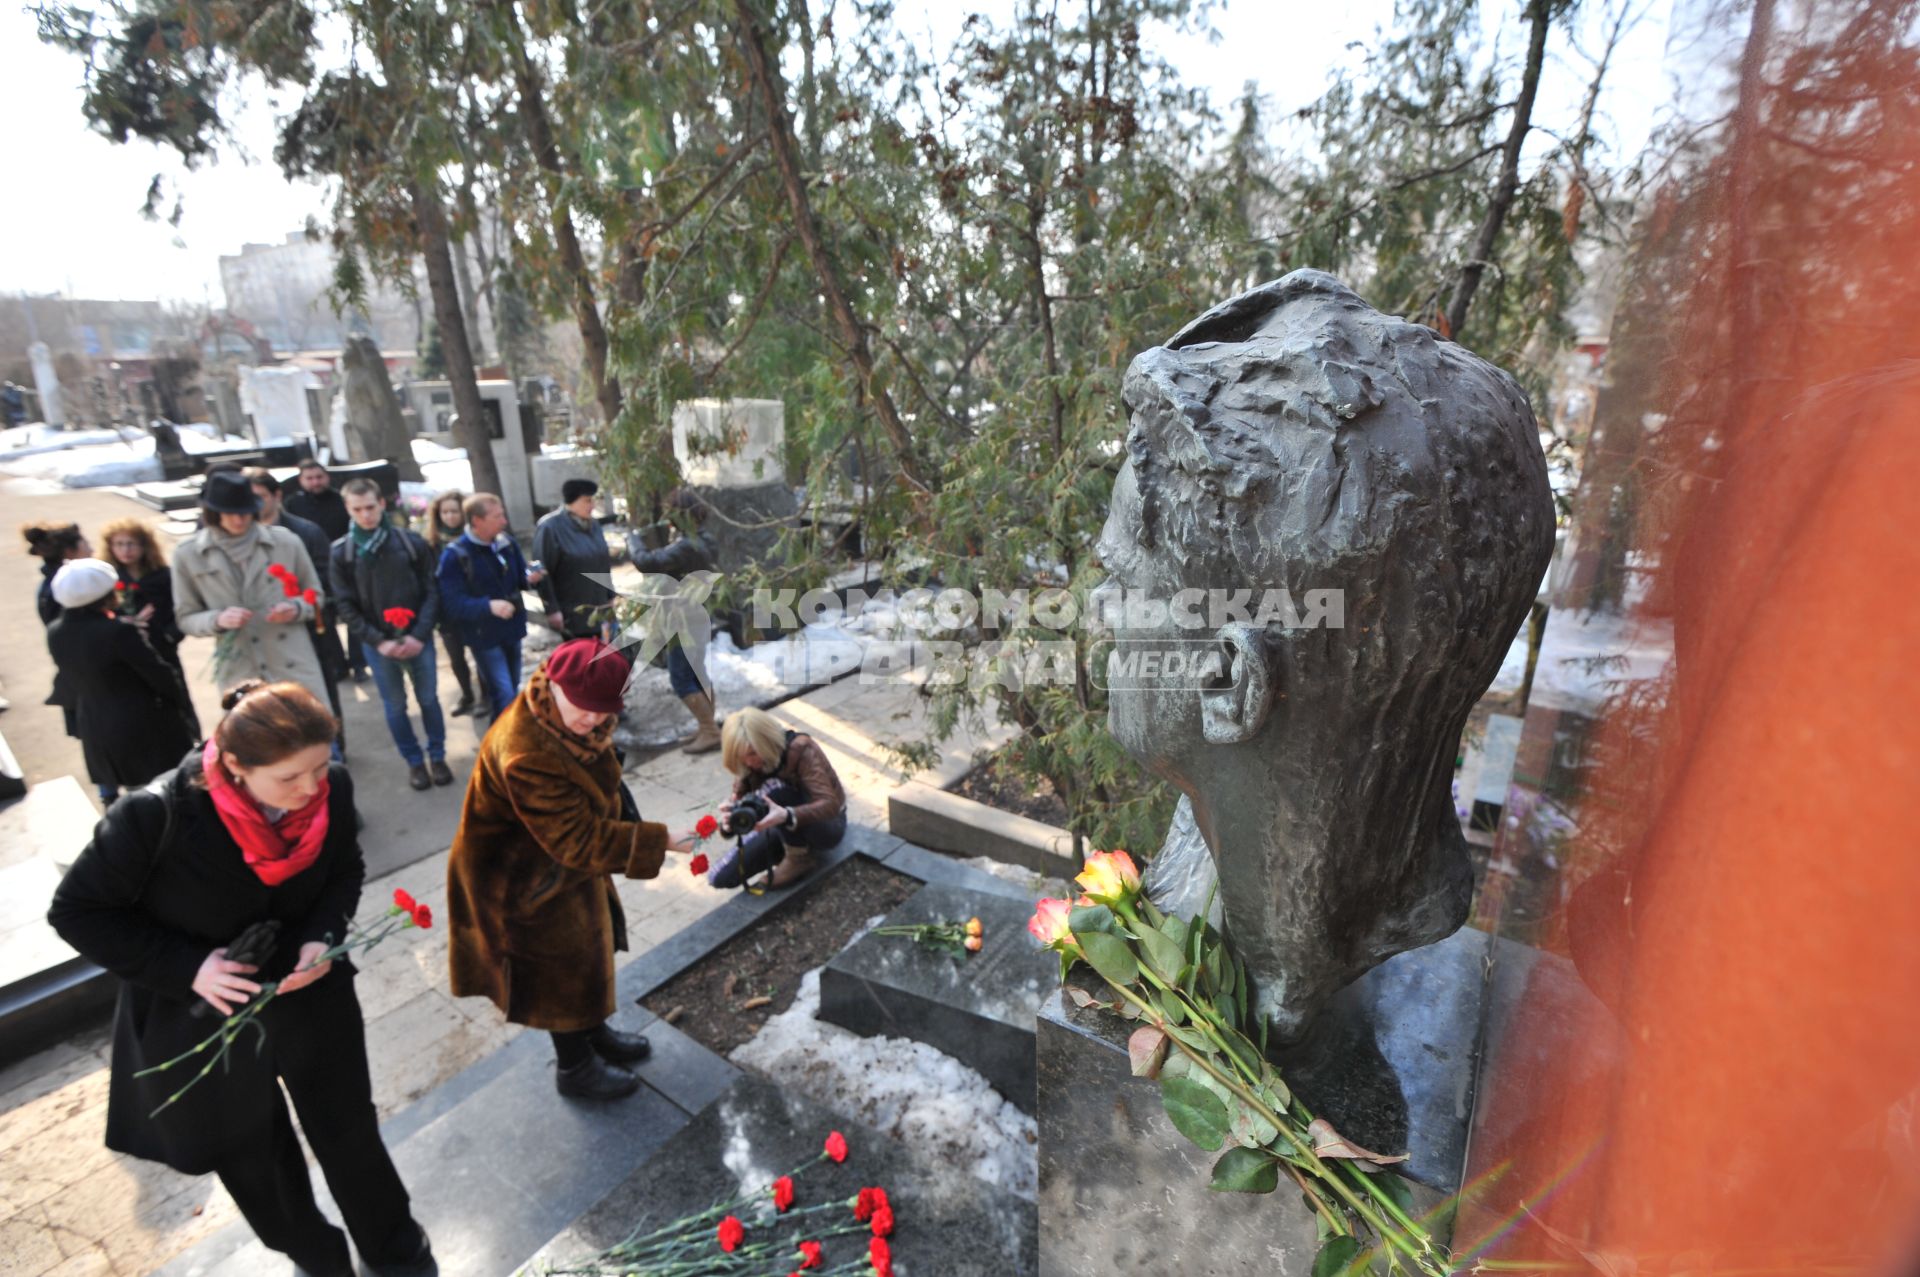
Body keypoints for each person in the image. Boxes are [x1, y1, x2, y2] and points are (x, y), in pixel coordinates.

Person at [47, 682, 435, 1277]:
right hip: (209, 1016)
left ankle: (397, 1252)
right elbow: (76, 911)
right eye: (290, 778)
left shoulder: (331, 785)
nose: (311, 789)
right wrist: (189, 968)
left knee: (349, 1132)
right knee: (256, 1159)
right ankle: (318, 1259)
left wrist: (323, 935)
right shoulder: (155, 816)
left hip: (313, 999)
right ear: (233, 764)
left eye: (318, 769)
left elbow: (343, 870)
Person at [447, 640, 695, 1100]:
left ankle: (593, 1032)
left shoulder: (563, 716)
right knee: (557, 963)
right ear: (555, 683)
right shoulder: (528, 752)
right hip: (517, 877)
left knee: (586, 949)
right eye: (585, 708)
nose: (593, 721)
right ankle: (575, 1068)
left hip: (550, 857)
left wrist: (631, 823)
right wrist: (659, 841)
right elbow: (577, 840)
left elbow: (595, 783)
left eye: (604, 712)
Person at [172, 471, 333, 712]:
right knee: (258, 744)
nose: (240, 519)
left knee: (315, 739)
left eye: (245, 511)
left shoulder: (286, 542)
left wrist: (297, 608)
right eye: (231, 513)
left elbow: (316, 595)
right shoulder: (188, 554)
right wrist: (217, 619)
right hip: (241, 670)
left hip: (292, 663)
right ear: (214, 512)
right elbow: (185, 617)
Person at [45, 559, 198, 805]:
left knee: (135, 801)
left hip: (96, 727)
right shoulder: (118, 632)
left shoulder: (56, 632)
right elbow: (161, 676)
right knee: (167, 799)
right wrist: (181, 708)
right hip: (145, 730)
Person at [331, 479, 450, 791]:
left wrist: (419, 634)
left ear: (381, 504)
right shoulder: (342, 552)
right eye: (358, 509)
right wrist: (378, 640)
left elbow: (431, 590)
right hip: (378, 644)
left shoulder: (410, 542)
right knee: (395, 705)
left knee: (428, 699)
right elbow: (344, 605)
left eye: (370, 507)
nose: (366, 515)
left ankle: (437, 756)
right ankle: (414, 762)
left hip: (417, 638)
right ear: (348, 509)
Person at [245, 466, 350, 740]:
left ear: (276, 495)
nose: (254, 505)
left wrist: (298, 605)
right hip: (263, 637)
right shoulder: (240, 541)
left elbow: (325, 583)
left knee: (319, 695)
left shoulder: (304, 532)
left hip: (308, 629)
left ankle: (334, 746)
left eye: (260, 496)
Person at [625, 489, 721, 754]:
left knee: (681, 676)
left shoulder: (687, 545)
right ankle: (707, 725)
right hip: (698, 614)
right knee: (696, 671)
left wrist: (631, 539)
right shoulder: (705, 539)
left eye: (671, 513)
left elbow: (647, 562)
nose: (667, 518)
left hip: (683, 619)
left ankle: (710, 731)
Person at [435, 493, 544, 719]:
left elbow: (518, 577)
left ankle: (505, 738)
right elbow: (452, 603)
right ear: (477, 521)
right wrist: (488, 606)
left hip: (512, 629)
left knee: (511, 689)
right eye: (497, 516)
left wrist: (529, 577)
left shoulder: (507, 543)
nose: (504, 521)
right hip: (484, 636)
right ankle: (503, 744)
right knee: (503, 693)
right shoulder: (455, 555)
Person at [713, 706, 847, 890]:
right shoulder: (748, 765)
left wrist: (787, 815)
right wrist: (730, 823)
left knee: (775, 792)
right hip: (781, 824)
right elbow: (743, 803)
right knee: (722, 878)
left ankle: (799, 858)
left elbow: (830, 804)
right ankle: (785, 849)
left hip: (827, 824)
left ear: (765, 741)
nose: (749, 762)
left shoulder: (800, 748)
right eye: (742, 757)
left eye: (753, 753)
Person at [283, 459, 364, 680]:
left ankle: (358, 663)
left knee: (352, 614)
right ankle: (338, 665)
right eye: (309, 478)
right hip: (314, 570)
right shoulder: (292, 506)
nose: (315, 482)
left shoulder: (342, 501)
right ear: (301, 481)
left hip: (346, 566)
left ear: (327, 477)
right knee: (324, 620)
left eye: (319, 477)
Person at [96, 516, 190, 681]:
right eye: (119, 544)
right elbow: (96, 615)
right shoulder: (106, 578)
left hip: (162, 649)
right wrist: (121, 623)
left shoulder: (163, 575)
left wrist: (170, 636)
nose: (126, 550)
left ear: (144, 546)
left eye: (131, 543)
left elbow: (183, 607)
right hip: (123, 653)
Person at [532, 478, 615, 640]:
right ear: (571, 501)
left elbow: (603, 563)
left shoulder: (594, 525)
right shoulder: (550, 527)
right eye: (587, 501)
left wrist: (610, 596)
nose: (592, 506)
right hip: (572, 611)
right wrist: (552, 610)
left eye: (593, 500)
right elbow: (542, 571)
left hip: (600, 607)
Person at [425, 490, 480, 718]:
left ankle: (486, 696)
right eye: (444, 512)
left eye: (454, 511)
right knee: (456, 658)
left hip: (473, 607)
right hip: (447, 613)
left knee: (481, 655)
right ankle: (467, 694)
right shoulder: (432, 544)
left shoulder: (474, 538)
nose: (449, 517)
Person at [23, 521, 92, 625]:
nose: (91, 550)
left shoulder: (51, 585)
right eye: (86, 545)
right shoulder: (66, 588)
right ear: (69, 552)